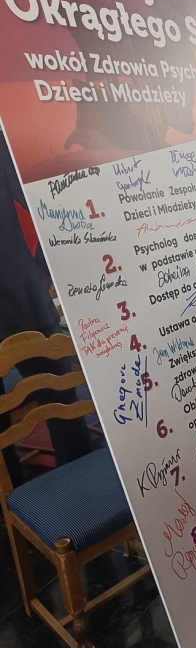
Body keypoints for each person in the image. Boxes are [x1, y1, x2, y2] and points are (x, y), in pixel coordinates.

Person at [0, 131, 92, 487]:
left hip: (19, 291)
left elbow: (34, 201)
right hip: (20, 289)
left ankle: (77, 489)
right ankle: (26, 504)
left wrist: (41, 267)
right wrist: (39, 268)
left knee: (61, 397)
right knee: (59, 398)